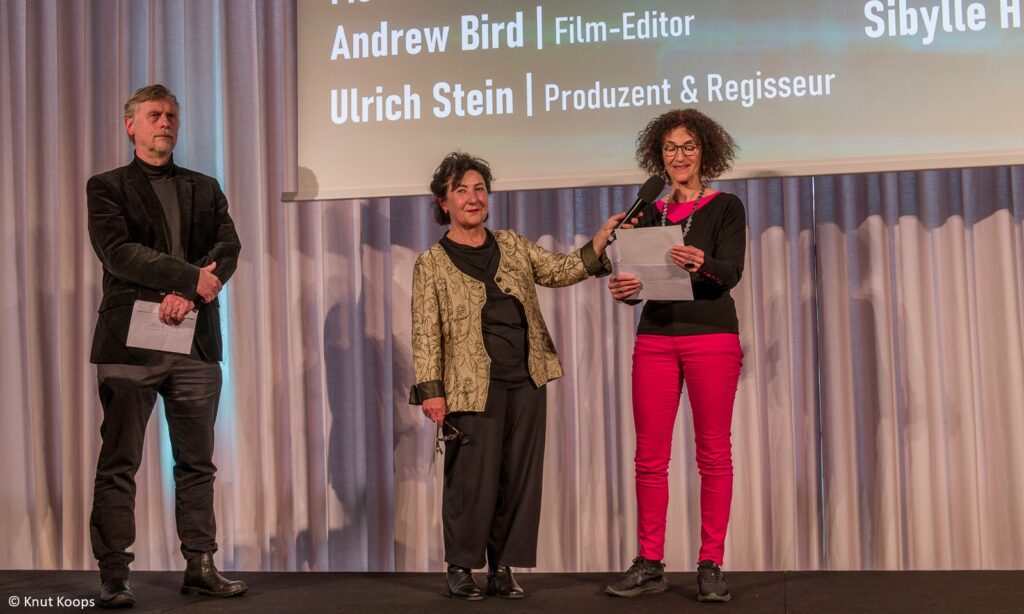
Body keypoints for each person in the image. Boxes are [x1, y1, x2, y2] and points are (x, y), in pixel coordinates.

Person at [410, 152, 621, 600]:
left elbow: (560, 270)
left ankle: (502, 567)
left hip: (526, 377)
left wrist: (600, 241)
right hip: (470, 387)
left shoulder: (512, 244)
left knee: (518, 476)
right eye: (462, 190)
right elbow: (426, 331)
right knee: (471, 480)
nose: (473, 198)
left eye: (480, 188)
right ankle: (462, 566)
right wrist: (431, 391)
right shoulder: (431, 262)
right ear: (443, 202)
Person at [86, 84, 245, 608]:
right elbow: (119, 254)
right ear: (130, 125)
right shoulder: (106, 187)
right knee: (120, 462)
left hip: (194, 343)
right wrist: (185, 280)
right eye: (154, 115)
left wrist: (187, 293)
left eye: (172, 115)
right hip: (130, 346)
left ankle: (200, 564)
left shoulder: (205, 186)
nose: (165, 122)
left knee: (197, 463)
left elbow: (228, 248)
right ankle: (114, 575)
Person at [604, 109, 745, 603]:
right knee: (649, 458)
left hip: (711, 337)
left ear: (705, 150)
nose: (678, 156)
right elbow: (637, 281)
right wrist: (624, 289)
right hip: (656, 338)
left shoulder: (726, 206)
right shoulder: (647, 211)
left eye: (687, 146)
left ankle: (710, 564)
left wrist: (702, 262)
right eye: (669, 148)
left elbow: (731, 272)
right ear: (658, 156)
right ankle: (649, 562)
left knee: (713, 455)